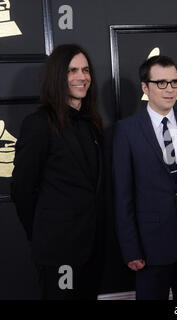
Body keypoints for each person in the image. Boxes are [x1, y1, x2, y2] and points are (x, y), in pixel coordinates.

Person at [112, 55, 177, 300]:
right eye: (161, 83)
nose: (169, 89)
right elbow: (123, 196)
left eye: (174, 82)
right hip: (150, 247)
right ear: (145, 87)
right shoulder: (126, 130)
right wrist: (130, 249)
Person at [12, 44, 105, 300]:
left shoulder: (92, 124)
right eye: (72, 70)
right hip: (58, 251)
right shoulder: (38, 124)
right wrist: (44, 234)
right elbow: (22, 189)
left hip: (92, 249)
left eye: (86, 70)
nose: (82, 77)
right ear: (57, 76)